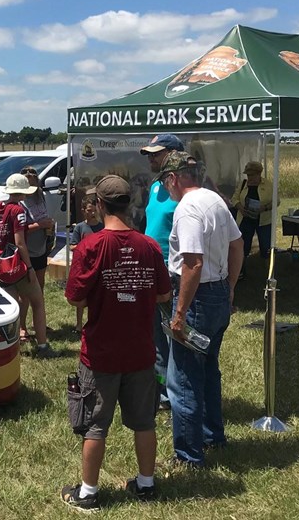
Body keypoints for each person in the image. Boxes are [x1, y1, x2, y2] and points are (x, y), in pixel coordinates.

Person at [61, 175, 172, 511]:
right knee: (144, 422)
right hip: (140, 351)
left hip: (101, 353)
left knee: (95, 426)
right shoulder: (149, 246)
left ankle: (89, 493)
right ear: (129, 205)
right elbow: (165, 294)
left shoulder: (91, 246)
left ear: (100, 205)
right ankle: (146, 485)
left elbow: (74, 299)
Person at [159, 153, 243, 469]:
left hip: (197, 297)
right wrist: (230, 287)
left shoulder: (187, 209)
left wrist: (179, 315)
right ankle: (212, 435)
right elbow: (237, 244)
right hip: (217, 290)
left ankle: (189, 455)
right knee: (208, 370)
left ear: (174, 178)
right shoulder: (215, 200)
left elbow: (192, 263)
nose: (167, 188)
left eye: (167, 182)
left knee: (183, 378)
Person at [0, 174, 58, 359]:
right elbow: (20, 242)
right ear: (23, 193)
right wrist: (29, 268)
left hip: (2, 266)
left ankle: (9, 346)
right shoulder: (18, 211)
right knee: (38, 303)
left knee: (11, 308)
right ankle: (43, 346)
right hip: (19, 265)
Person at [139, 133, 186, 410]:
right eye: (149, 153)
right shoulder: (156, 185)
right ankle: (163, 391)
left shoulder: (185, 190)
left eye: (155, 153)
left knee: (173, 332)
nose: (151, 158)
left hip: (173, 269)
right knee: (155, 332)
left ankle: (176, 390)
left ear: (173, 154)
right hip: (152, 267)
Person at [18, 166, 55, 342]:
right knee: (25, 291)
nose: (32, 190)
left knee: (39, 288)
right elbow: (20, 230)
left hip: (40, 247)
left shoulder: (41, 196)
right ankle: (22, 326)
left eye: (35, 184)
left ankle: (37, 321)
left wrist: (49, 228)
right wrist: (40, 225)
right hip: (26, 250)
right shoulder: (20, 202)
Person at [232, 161, 278, 272]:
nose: (250, 178)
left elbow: (277, 201)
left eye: (252, 175)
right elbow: (234, 199)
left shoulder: (268, 185)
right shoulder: (243, 184)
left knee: (266, 246)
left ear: (259, 174)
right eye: (248, 175)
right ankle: (240, 270)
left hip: (263, 221)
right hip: (245, 220)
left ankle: (268, 271)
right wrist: (241, 208)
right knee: (243, 246)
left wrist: (265, 208)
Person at [69, 195, 103, 333]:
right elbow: (72, 245)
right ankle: (78, 324)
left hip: (98, 265)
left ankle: (94, 322)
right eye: (89, 210)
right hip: (83, 266)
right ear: (83, 210)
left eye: (94, 210)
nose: (92, 213)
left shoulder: (102, 227)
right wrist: (85, 249)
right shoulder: (80, 227)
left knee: (96, 296)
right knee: (81, 296)